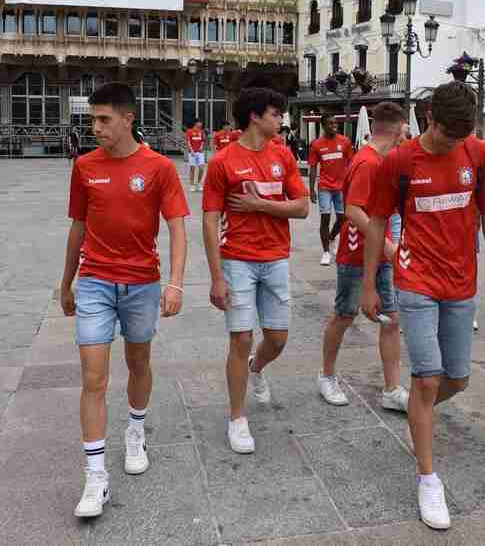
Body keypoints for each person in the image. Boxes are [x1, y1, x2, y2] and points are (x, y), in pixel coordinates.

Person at [362, 82, 485, 531]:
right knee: (426, 378)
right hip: (415, 280)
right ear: (429, 118)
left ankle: (418, 410)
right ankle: (428, 477)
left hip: (461, 282)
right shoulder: (400, 162)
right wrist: (369, 284)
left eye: (463, 135)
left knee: (458, 380)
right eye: (449, 134)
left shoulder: (478, 153)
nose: (455, 143)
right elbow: (374, 221)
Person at [59, 83, 189, 519]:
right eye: (92, 119)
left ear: (128, 119)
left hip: (142, 283)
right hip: (95, 281)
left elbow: (176, 227)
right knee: (92, 377)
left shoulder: (158, 168)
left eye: (103, 120)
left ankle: (135, 429)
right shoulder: (84, 167)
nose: (95, 128)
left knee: (138, 363)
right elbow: (77, 227)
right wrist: (66, 283)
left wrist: (176, 284)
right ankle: (95, 476)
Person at [202, 87, 310, 454]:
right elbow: (210, 218)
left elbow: (302, 208)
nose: (280, 119)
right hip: (237, 260)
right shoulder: (223, 162)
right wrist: (216, 275)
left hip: (276, 258)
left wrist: (259, 204)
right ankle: (237, 418)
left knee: (278, 339)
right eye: (275, 113)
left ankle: (256, 367)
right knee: (240, 338)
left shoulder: (283, 156)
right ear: (254, 117)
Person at [318, 102, 409, 412]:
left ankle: (392, 388)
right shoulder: (368, 163)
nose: (406, 135)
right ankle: (327, 376)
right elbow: (353, 210)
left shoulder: (383, 161)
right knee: (344, 315)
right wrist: (386, 245)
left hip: (378, 255)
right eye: (405, 129)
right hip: (356, 254)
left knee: (391, 319)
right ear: (398, 129)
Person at [309, 114, 353, 265]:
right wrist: (311, 189)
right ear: (323, 126)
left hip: (341, 187)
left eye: (335, 123)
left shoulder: (345, 142)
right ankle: (326, 252)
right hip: (325, 187)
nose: (334, 126)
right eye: (330, 123)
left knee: (342, 218)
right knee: (325, 218)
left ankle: (332, 237)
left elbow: (352, 164)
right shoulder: (316, 144)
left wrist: (352, 184)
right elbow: (313, 167)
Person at [185, 120, 207, 192]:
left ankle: (198, 183)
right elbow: (188, 141)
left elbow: (203, 141)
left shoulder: (202, 132)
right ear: (196, 123)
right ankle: (192, 185)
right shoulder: (189, 131)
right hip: (192, 153)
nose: (201, 124)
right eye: (200, 122)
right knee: (192, 169)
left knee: (201, 168)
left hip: (200, 153)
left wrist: (201, 147)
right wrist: (191, 150)